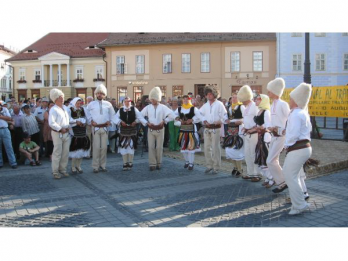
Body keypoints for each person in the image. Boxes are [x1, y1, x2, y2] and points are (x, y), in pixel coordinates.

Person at [282, 83, 312, 215]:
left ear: (296, 100)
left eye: (291, 99)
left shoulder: (295, 114)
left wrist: (286, 145)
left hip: (297, 148)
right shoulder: (303, 113)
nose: (289, 101)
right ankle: (300, 201)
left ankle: (300, 204)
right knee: (294, 176)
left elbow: (293, 134)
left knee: (290, 176)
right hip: (303, 148)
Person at [265, 78, 291, 193]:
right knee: (272, 160)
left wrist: (281, 129)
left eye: (269, 91)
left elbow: (290, 119)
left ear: (275, 91)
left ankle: (283, 182)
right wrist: (271, 127)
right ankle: (282, 182)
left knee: (270, 160)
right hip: (274, 136)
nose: (268, 93)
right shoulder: (272, 105)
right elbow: (272, 120)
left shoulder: (283, 104)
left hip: (281, 137)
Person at [141, 87, 174, 171]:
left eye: (153, 99)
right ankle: (152, 163)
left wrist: (164, 121)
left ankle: (159, 162)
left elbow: (172, 115)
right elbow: (140, 116)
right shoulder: (148, 107)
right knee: (151, 146)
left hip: (160, 129)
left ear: (157, 98)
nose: (152, 100)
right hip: (151, 129)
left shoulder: (163, 107)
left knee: (159, 147)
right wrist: (146, 123)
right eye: (151, 99)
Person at [199, 85, 228, 174]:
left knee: (215, 148)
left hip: (216, 128)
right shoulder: (205, 105)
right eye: (207, 94)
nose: (209, 96)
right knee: (206, 147)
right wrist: (204, 120)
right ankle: (209, 165)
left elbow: (225, 116)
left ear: (214, 94)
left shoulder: (219, 104)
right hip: (207, 128)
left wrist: (219, 121)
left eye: (211, 94)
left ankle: (216, 167)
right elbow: (200, 114)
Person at [113, 96, 147, 171]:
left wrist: (136, 122)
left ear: (130, 102)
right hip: (123, 132)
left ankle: (130, 163)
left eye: (128, 101)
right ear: (123, 102)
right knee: (123, 147)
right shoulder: (121, 110)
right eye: (125, 101)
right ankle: (125, 163)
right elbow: (115, 118)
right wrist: (121, 122)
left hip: (132, 131)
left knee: (131, 147)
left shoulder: (134, 109)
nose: (127, 103)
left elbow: (140, 117)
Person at [87, 84, 115, 173]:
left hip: (105, 128)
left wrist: (110, 121)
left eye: (101, 93)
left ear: (104, 95)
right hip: (95, 128)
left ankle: (103, 165)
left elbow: (113, 115)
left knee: (104, 148)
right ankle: (95, 166)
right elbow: (87, 114)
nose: (100, 95)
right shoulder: (91, 104)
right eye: (98, 93)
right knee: (96, 147)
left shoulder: (108, 104)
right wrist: (91, 121)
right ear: (96, 94)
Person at [237, 85, 260, 181]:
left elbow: (259, 121)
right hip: (247, 132)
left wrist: (253, 129)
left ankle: (256, 174)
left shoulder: (255, 106)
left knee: (253, 153)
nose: (241, 101)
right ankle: (250, 173)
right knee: (247, 154)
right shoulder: (246, 107)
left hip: (254, 133)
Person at [174, 95, 202, 170]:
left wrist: (192, 120)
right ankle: (186, 161)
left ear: (189, 100)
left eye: (187, 99)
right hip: (183, 130)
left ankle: (191, 163)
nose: (185, 101)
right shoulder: (179, 108)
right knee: (183, 148)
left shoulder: (193, 108)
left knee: (191, 148)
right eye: (184, 99)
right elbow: (174, 115)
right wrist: (179, 120)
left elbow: (200, 117)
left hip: (191, 130)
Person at [49, 89, 71, 179]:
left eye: (62, 96)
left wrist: (72, 124)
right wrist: (60, 128)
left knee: (65, 152)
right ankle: (55, 171)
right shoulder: (53, 109)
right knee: (57, 152)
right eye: (60, 96)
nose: (62, 98)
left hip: (66, 133)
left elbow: (69, 119)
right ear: (56, 98)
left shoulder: (65, 108)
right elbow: (51, 123)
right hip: (57, 133)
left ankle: (63, 169)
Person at [223, 93, 245, 177]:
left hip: (238, 131)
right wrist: (226, 120)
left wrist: (241, 121)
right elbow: (225, 117)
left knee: (237, 150)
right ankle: (235, 167)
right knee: (229, 150)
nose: (234, 99)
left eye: (236, 97)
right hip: (230, 131)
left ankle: (240, 169)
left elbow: (245, 117)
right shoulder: (229, 107)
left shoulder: (241, 107)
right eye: (233, 97)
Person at [68, 97, 91, 174]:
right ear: (74, 103)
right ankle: (73, 166)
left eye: (79, 103)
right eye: (77, 103)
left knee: (82, 149)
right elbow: (68, 119)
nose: (78, 105)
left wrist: (85, 122)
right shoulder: (70, 109)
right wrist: (76, 121)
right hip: (75, 131)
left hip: (82, 130)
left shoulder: (83, 109)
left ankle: (79, 165)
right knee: (75, 149)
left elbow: (87, 118)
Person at [253, 94, 272, 183]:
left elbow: (268, 125)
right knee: (260, 157)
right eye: (256, 99)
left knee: (265, 156)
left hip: (265, 136)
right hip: (259, 136)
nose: (256, 100)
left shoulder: (266, 112)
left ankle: (271, 178)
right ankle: (267, 177)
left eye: (258, 99)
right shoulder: (259, 111)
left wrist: (260, 127)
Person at [0, 103, 17, 169]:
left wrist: (1, 117)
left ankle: (13, 162)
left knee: (9, 147)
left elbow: (9, 118)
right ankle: (0, 163)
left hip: (5, 129)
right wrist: (4, 117)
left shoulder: (5, 109)